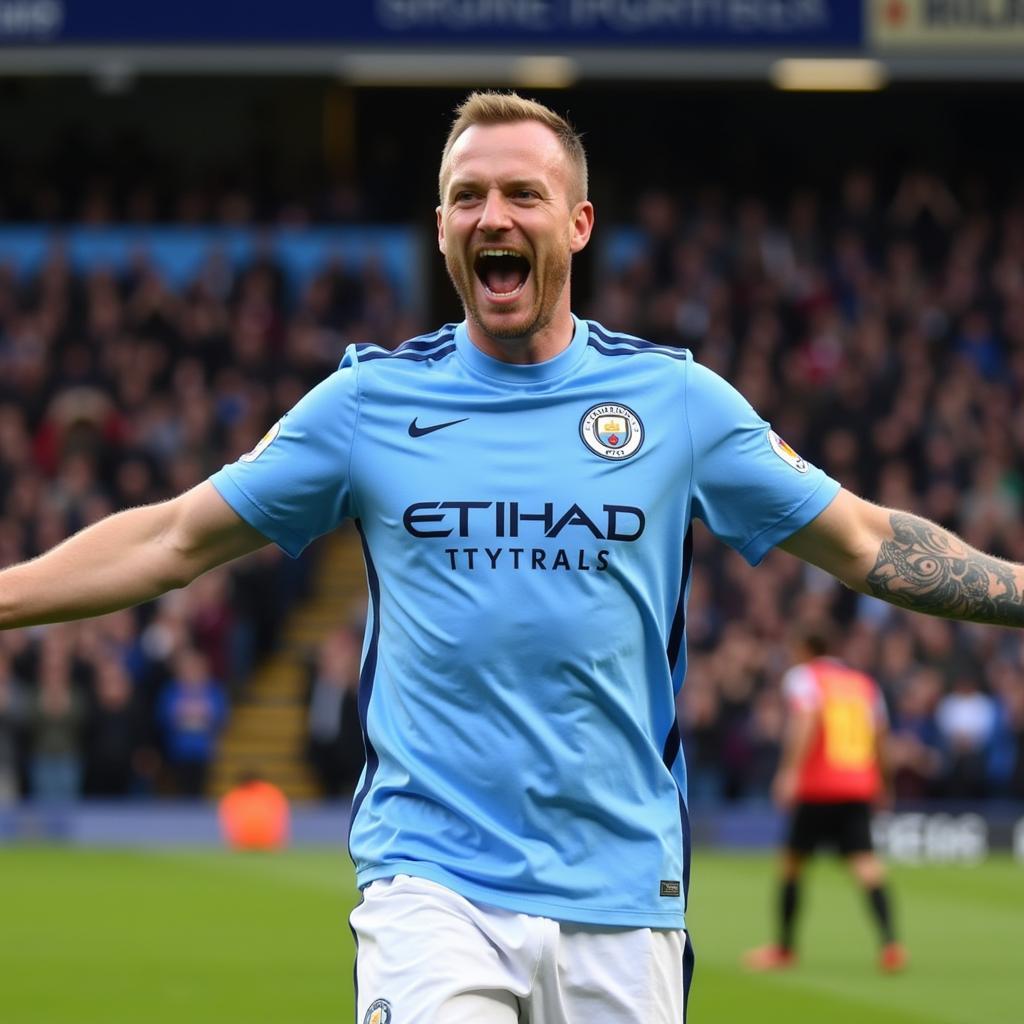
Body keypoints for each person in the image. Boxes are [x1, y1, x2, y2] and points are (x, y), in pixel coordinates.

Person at [0, 91, 1022, 1021]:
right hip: (431, 881)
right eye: (467, 195)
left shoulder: (677, 404)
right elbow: (174, 536)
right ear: (441, 227)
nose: (494, 215)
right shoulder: (368, 406)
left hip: (623, 892)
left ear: (576, 224)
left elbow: (863, 540)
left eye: (522, 193)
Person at [744, 626, 907, 974]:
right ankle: (891, 946)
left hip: (819, 785)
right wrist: (884, 782)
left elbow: (805, 719)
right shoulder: (864, 684)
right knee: (866, 865)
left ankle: (784, 948)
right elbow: (881, 736)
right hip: (858, 783)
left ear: (805, 649)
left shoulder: (804, 677)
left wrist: (789, 772)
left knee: (791, 863)